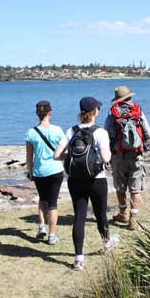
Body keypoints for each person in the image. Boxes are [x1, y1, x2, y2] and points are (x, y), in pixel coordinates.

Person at [54, 97, 118, 271]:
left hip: (75, 180)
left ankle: (79, 258)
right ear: (95, 112)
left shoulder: (71, 131)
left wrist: (72, 156)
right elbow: (105, 158)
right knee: (100, 214)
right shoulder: (100, 132)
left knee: (79, 217)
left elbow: (56, 155)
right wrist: (108, 156)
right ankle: (106, 243)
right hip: (97, 179)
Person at [104, 85, 150, 231]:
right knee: (135, 188)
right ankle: (133, 219)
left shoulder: (112, 113)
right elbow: (148, 133)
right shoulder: (137, 111)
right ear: (130, 97)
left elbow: (108, 134)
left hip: (118, 155)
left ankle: (123, 213)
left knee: (120, 186)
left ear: (118, 100)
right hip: (136, 155)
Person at [25, 100, 65, 245]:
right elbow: (64, 150)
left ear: (37, 114)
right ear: (50, 112)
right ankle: (52, 234)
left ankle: (41, 226)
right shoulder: (58, 130)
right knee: (53, 203)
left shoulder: (31, 132)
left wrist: (29, 172)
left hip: (39, 170)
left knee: (42, 199)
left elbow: (29, 157)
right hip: (55, 170)